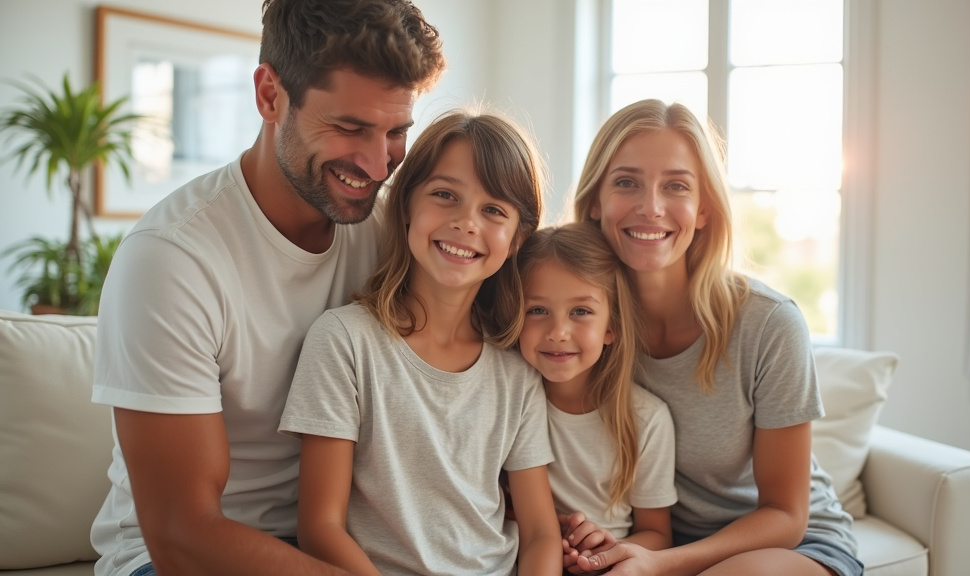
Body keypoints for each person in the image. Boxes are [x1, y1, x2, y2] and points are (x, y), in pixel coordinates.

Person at [89, 1, 446, 574]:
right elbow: (183, 536)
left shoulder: (390, 236)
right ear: (269, 95)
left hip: (340, 543)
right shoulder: (172, 260)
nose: (380, 165)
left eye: (397, 131)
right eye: (350, 128)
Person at [569, 99, 863, 576]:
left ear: (703, 209)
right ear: (596, 200)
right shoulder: (576, 323)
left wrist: (660, 564)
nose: (651, 207)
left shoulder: (769, 324)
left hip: (787, 544)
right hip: (655, 538)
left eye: (676, 186)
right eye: (626, 182)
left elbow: (786, 515)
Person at [278, 108, 562, 576]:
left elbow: (541, 534)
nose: (466, 222)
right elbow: (320, 527)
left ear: (516, 239)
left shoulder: (518, 371)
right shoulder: (345, 342)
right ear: (407, 204)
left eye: (493, 210)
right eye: (445, 195)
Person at [513, 222, 678, 573]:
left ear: (611, 327)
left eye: (581, 312)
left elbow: (657, 534)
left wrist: (608, 548)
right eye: (537, 310)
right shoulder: (508, 399)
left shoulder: (646, 419)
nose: (558, 332)